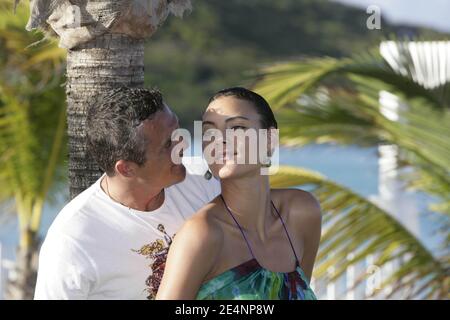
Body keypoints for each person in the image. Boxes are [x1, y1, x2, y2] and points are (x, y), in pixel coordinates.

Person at [34, 87, 220, 300]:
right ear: (126, 169)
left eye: (179, 132)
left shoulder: (203, 181)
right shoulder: (74, 240)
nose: (183, 144)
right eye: (168, 144)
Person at [156, 87, 322, 300]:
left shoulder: (301, 212)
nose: (220, 140)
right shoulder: (203, 234)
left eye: (237, 128)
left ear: (270, 140)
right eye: (209, 132)